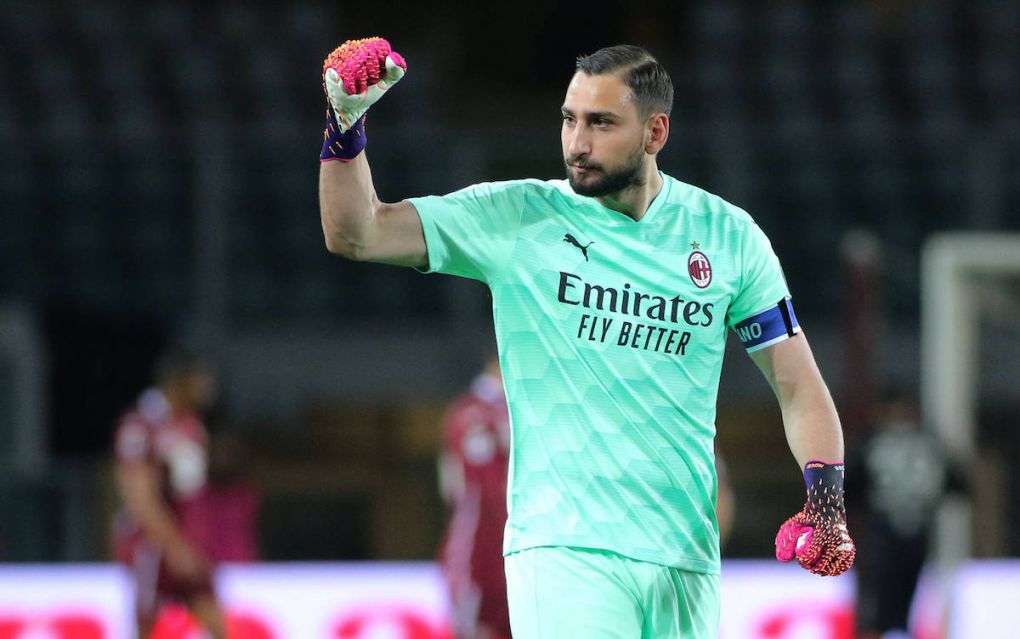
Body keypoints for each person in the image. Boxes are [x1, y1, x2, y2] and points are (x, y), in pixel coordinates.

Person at [318, 38, 855, 638]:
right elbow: (358, 234)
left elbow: (797, 384)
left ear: (655, 133)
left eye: (601, 124)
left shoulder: (727, 236)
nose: (577, 143)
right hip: (564, 553)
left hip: (686, 557)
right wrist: (346, 126)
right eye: (570, 120)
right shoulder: (519, 219)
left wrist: (826, 499)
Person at [112, 350, 227, 639]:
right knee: (147, 625)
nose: (208, 386)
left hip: (189, 541)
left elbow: (192, 493)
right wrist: (174, 545)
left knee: (217, 623)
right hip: (153, 546)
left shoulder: (191, 425)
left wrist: (199, 540)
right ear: (180, 382)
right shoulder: (141, 426)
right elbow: (140, 496)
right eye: (201, 379)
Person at [849, 389, 965, 639]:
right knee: (903, 602)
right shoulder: (929, 443)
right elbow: (958, 484)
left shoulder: (874, 442)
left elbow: (849, 485)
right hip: (916, 535)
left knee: (877, 604)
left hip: (880, 537)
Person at [437, 356, 512, 639]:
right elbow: (481, 490)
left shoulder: (508, 409)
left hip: (511, 550)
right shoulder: (474, 413)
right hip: (478, 552)